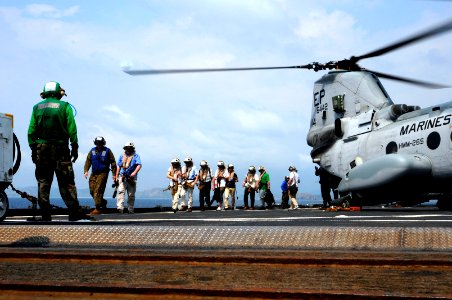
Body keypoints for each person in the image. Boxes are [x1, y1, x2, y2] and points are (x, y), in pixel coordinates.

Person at [27, 81, 88, 221]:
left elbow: (31, 131)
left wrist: (33, 148)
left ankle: (45, 214)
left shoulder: (36, 108)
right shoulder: (65, 106)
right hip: (61, 149)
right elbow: (72, 128)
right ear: (58, 92)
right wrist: (75, 146)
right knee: (66, 181)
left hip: (41, 149)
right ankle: (73, 212)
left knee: (43, 181)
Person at [84, 136, 117, 215]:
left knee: (98, 190)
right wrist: (86, 171)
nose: (99, 145)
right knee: (92, 191)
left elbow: (113, 162)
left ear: (103, 143)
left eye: (100, 143)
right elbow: (88, 161)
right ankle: (102, 202)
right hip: (94, 173)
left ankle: (98, 208)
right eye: (97, 143)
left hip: (103, 173)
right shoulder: (92, 151)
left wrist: (114, 174)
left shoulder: (107, 151)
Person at [115, 142, 142, 214]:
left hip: (131, 177)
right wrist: (116, 176)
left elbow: (139, 165)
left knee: (131, 194)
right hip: (123, 176)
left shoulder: (136, 156)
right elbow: (119, 166)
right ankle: (120, 208)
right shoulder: (122, 156)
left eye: (129, 148)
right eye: (127, 148)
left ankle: (130, 208)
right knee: (121, 191)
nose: (128, 150)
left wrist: (134, 173)